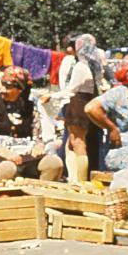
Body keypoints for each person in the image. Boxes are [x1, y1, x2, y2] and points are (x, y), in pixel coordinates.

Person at [0, 66, 63, 184]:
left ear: (20, 89)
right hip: (0, 158)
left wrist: (38, 147)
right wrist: (7, 153)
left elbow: (38, 136)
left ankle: (41, 193)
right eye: (2, 84)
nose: (3, 90)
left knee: (53, 164)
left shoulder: (30, 107)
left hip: (27, 157)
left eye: (8, 87)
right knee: (8, 169)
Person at [51, 34, 101, 182]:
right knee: (71, 142)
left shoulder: (80, 67)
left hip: (78, 103)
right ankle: (73, 177)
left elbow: (71, 89)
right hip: (88, 101)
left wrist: (52, 96)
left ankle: (81, 179)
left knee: (78, 142)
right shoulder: (95, 66)